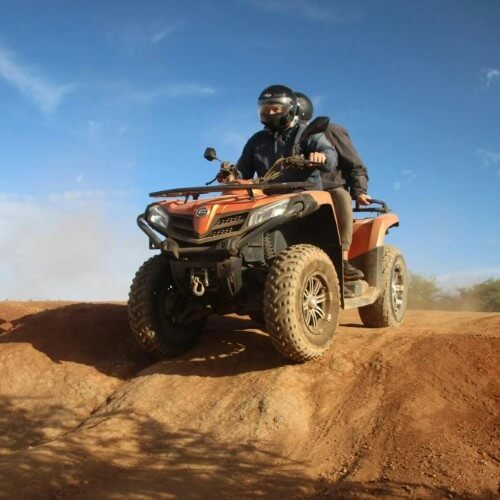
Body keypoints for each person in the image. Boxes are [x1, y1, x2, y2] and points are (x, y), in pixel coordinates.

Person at [295, 91, 371, 282]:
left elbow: (355, 165)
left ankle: (342, 260)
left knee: (340, 196)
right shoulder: (281, 138)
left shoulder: (331, 131)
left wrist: (359, 191)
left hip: (329, 188)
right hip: (295, 190)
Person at [217, 84, 338, 190]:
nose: (270, 113)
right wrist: (231, 175)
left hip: (303, 195)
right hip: (267, 199)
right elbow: (243, 171)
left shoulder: (305, 133)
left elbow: (329, 152)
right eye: (266, 110)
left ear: (290, 109)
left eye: (276, 109)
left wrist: (323, 157)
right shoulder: (257, 140)